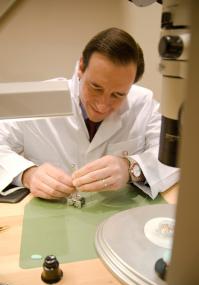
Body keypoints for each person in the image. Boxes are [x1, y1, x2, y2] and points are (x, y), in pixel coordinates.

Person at [0, 27, 179, 200]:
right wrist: (27, 174)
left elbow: (176, 156)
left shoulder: (143, 104)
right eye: (95, 87)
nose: (102, 105)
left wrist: (131, 168)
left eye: (118, 94)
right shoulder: (39, 99)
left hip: (116, 215)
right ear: (81, 67)